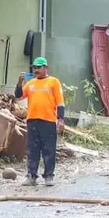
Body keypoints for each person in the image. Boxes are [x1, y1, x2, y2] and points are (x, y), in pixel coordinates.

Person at [15, 57, 65, 187]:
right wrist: (19, 83)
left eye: (39, 67)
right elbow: (19, 96)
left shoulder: (53, 82)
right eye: (34, 68)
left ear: (45, 68)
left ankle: (49, 176)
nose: (36, 70)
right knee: (33, 150)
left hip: (48, 120)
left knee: (49, 150)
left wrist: (61, 119)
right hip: (32, 120)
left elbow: (60, 102)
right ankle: (32, 176)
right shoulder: (31, 83)